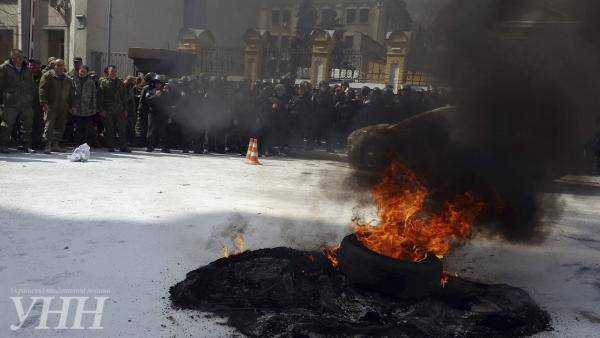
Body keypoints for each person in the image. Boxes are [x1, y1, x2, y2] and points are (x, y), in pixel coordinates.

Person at [0, 49, 37, 153]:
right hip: (10, 102)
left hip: (26, 101)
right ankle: (4, 145)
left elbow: (32, 84)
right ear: (12, 57)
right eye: (17, 57)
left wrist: (32, 96)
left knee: (27, 125)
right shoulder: (4, 68)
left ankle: (26, 146)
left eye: (21, 56)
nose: (20, 59)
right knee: (7, 124)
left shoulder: (27, 68)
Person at [38, 58, 74, 154]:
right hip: (50, 105)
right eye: (59, 65)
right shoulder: (48, 76)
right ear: (54, 66)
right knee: (49, 125)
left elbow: (71, 93)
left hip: (63, 106)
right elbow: (42, 90)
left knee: (60, 125)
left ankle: (56, 145)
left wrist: (71, 105)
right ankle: (47, 145)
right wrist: (44, 103)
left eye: (62, 65)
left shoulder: (67, 78)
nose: (61, 67)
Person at [99, 65, 130, 152]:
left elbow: (124, 96)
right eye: (112, 71)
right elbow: (100, 97)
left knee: (122, 129)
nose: (113, 73)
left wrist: (125, 109)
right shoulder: (103, 82)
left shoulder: (120, 82)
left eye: (115, 71)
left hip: (119, 109)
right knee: (109, 129)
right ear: (108, 72)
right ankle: (111, 146)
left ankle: (122, 146)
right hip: (108, 109)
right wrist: (101, 109)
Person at [72, 65, 98, 146]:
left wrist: (94, 108)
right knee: (78, 127)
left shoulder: (90, 82)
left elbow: (94, 95)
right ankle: (78, 144)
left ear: (87, 72)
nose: (82, 72)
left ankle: (87, 144)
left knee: (88, 127)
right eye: (81, 71)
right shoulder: (74, 80)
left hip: (87, 109)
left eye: (84, 71)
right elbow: (71, 94)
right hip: (77, 108)